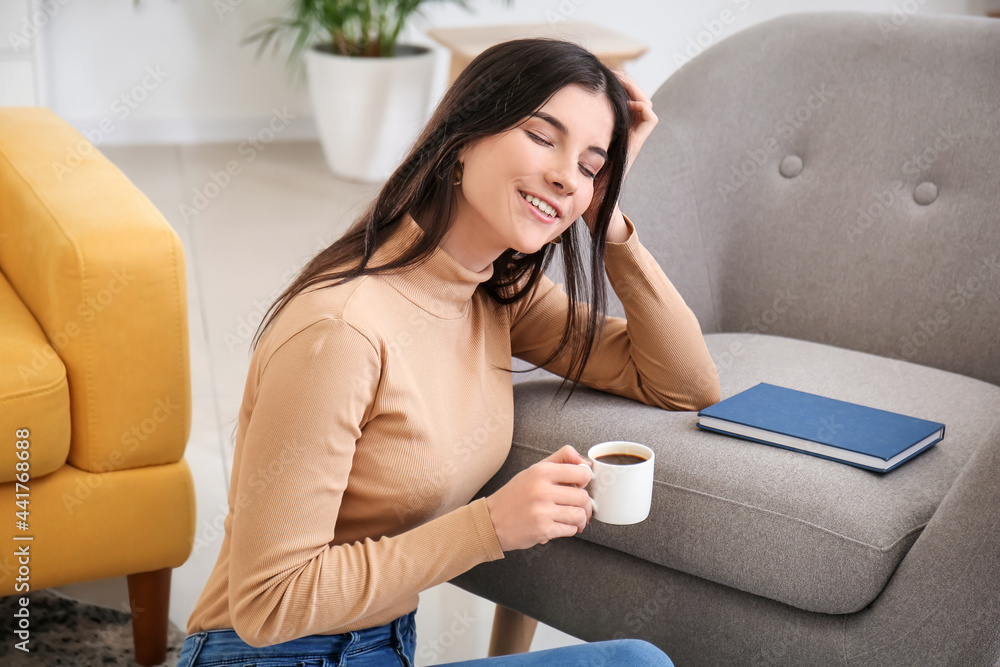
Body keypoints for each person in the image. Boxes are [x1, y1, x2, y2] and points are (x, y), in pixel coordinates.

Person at [178, 36, 720, 667]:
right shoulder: (341, 332)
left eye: (590, 166)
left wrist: (611, 223)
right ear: (463, 137)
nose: (564, 176)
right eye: (543, 137)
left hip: (380, 646)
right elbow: (269, 604)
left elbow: (683, 382)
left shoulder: (494, 296)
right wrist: (489, 527)